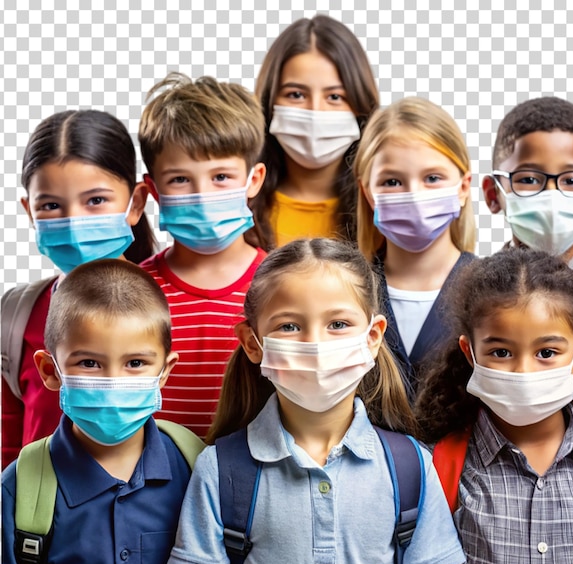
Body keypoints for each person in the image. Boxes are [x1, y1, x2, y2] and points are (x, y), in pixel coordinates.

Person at [165, 238, 465, 564]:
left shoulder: (411, 468)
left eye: (338, 324)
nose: (316, 344)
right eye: (289, 326)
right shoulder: (219, 470)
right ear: (253, 344)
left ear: (373, 337)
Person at [414, 248, 573, 564]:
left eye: (546, 352)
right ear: (469, 352)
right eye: (500, 351)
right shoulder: (437, 464)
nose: (524, 371)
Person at [2, 259, 200, 564]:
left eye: (136, 363)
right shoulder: (20, 489)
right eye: (90, 363)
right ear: (50, 371)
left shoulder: (195, 469)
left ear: (165, 371)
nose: (113, 381)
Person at [1, 110, 155, 469]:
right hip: (38, 517)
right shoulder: (17, 315)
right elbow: (9, 444)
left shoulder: (168, 306)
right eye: (51, 205)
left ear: (135, 203)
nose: (75, 221)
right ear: (29, 211)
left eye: (96, 201)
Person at [138, 73, 267, 437]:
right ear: (154, 190)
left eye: (221, 176)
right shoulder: (132, 292)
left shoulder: (280, 285)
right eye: (180, 179)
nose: (201, 194)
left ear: (253, 180)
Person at [482, 96, 573, 364]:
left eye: (572, 180)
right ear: (493, 194)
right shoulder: (470, 295)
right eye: (528, 179)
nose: (551, 195)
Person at [354, 96, 476, 399]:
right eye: (392, 182)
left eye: (433, 178)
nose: (414, 196)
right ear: (367, 193)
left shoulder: (493, 292)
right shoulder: (349, 291)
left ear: (462, 187)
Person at [252, 14, 379, 248]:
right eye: (296, 94)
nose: (315, 111)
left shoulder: (382, 208)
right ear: (269, 102)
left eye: (335, 97)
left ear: (361, 106)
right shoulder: (238, 204)